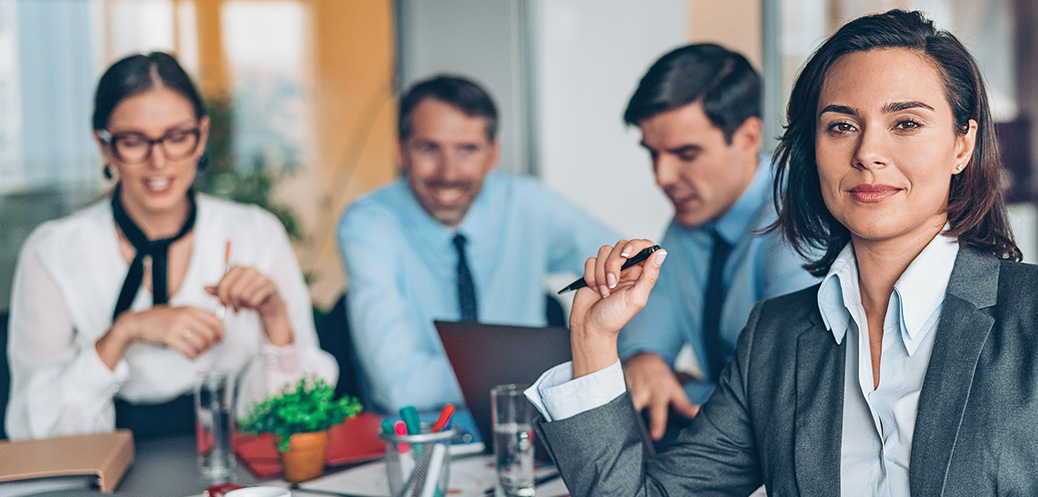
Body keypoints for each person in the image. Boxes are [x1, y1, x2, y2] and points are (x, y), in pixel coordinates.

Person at [528, 10, 1038, 497]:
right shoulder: (778, 338)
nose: (868, 154)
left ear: (962, 143)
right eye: (839, 127)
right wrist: (595, 338)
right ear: (811, 150)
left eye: (905, 123)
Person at [6, 52, 336, 440]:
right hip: (103, 478)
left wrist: (276, 320)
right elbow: (31, 433)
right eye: (134, 141)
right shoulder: (53, 252)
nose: (159, 161)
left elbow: (295, 421)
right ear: (105, 146)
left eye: (177, 137)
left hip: (237, 467)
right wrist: (124, 332)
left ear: (201, 136)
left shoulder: (255, 232)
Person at [338, 75, 617, 415]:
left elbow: (633, 263)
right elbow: (399, 387)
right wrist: (542, 369)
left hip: (525, 429)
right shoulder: (369, 224)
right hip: (419, 439)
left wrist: (638, 357)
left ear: (492, 155)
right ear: (401, 151)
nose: (448, 172)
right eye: (429, 148)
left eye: (467, 150)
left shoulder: (529, 204)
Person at [617, 43, 818, 441]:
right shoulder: (687, 223)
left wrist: (688, 389)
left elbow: (788, 392)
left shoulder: (799, 216)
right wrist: (646, 360)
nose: (662, 177)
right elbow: (645, 343)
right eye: (653, 154)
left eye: (686, 154)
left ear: (747, 137)